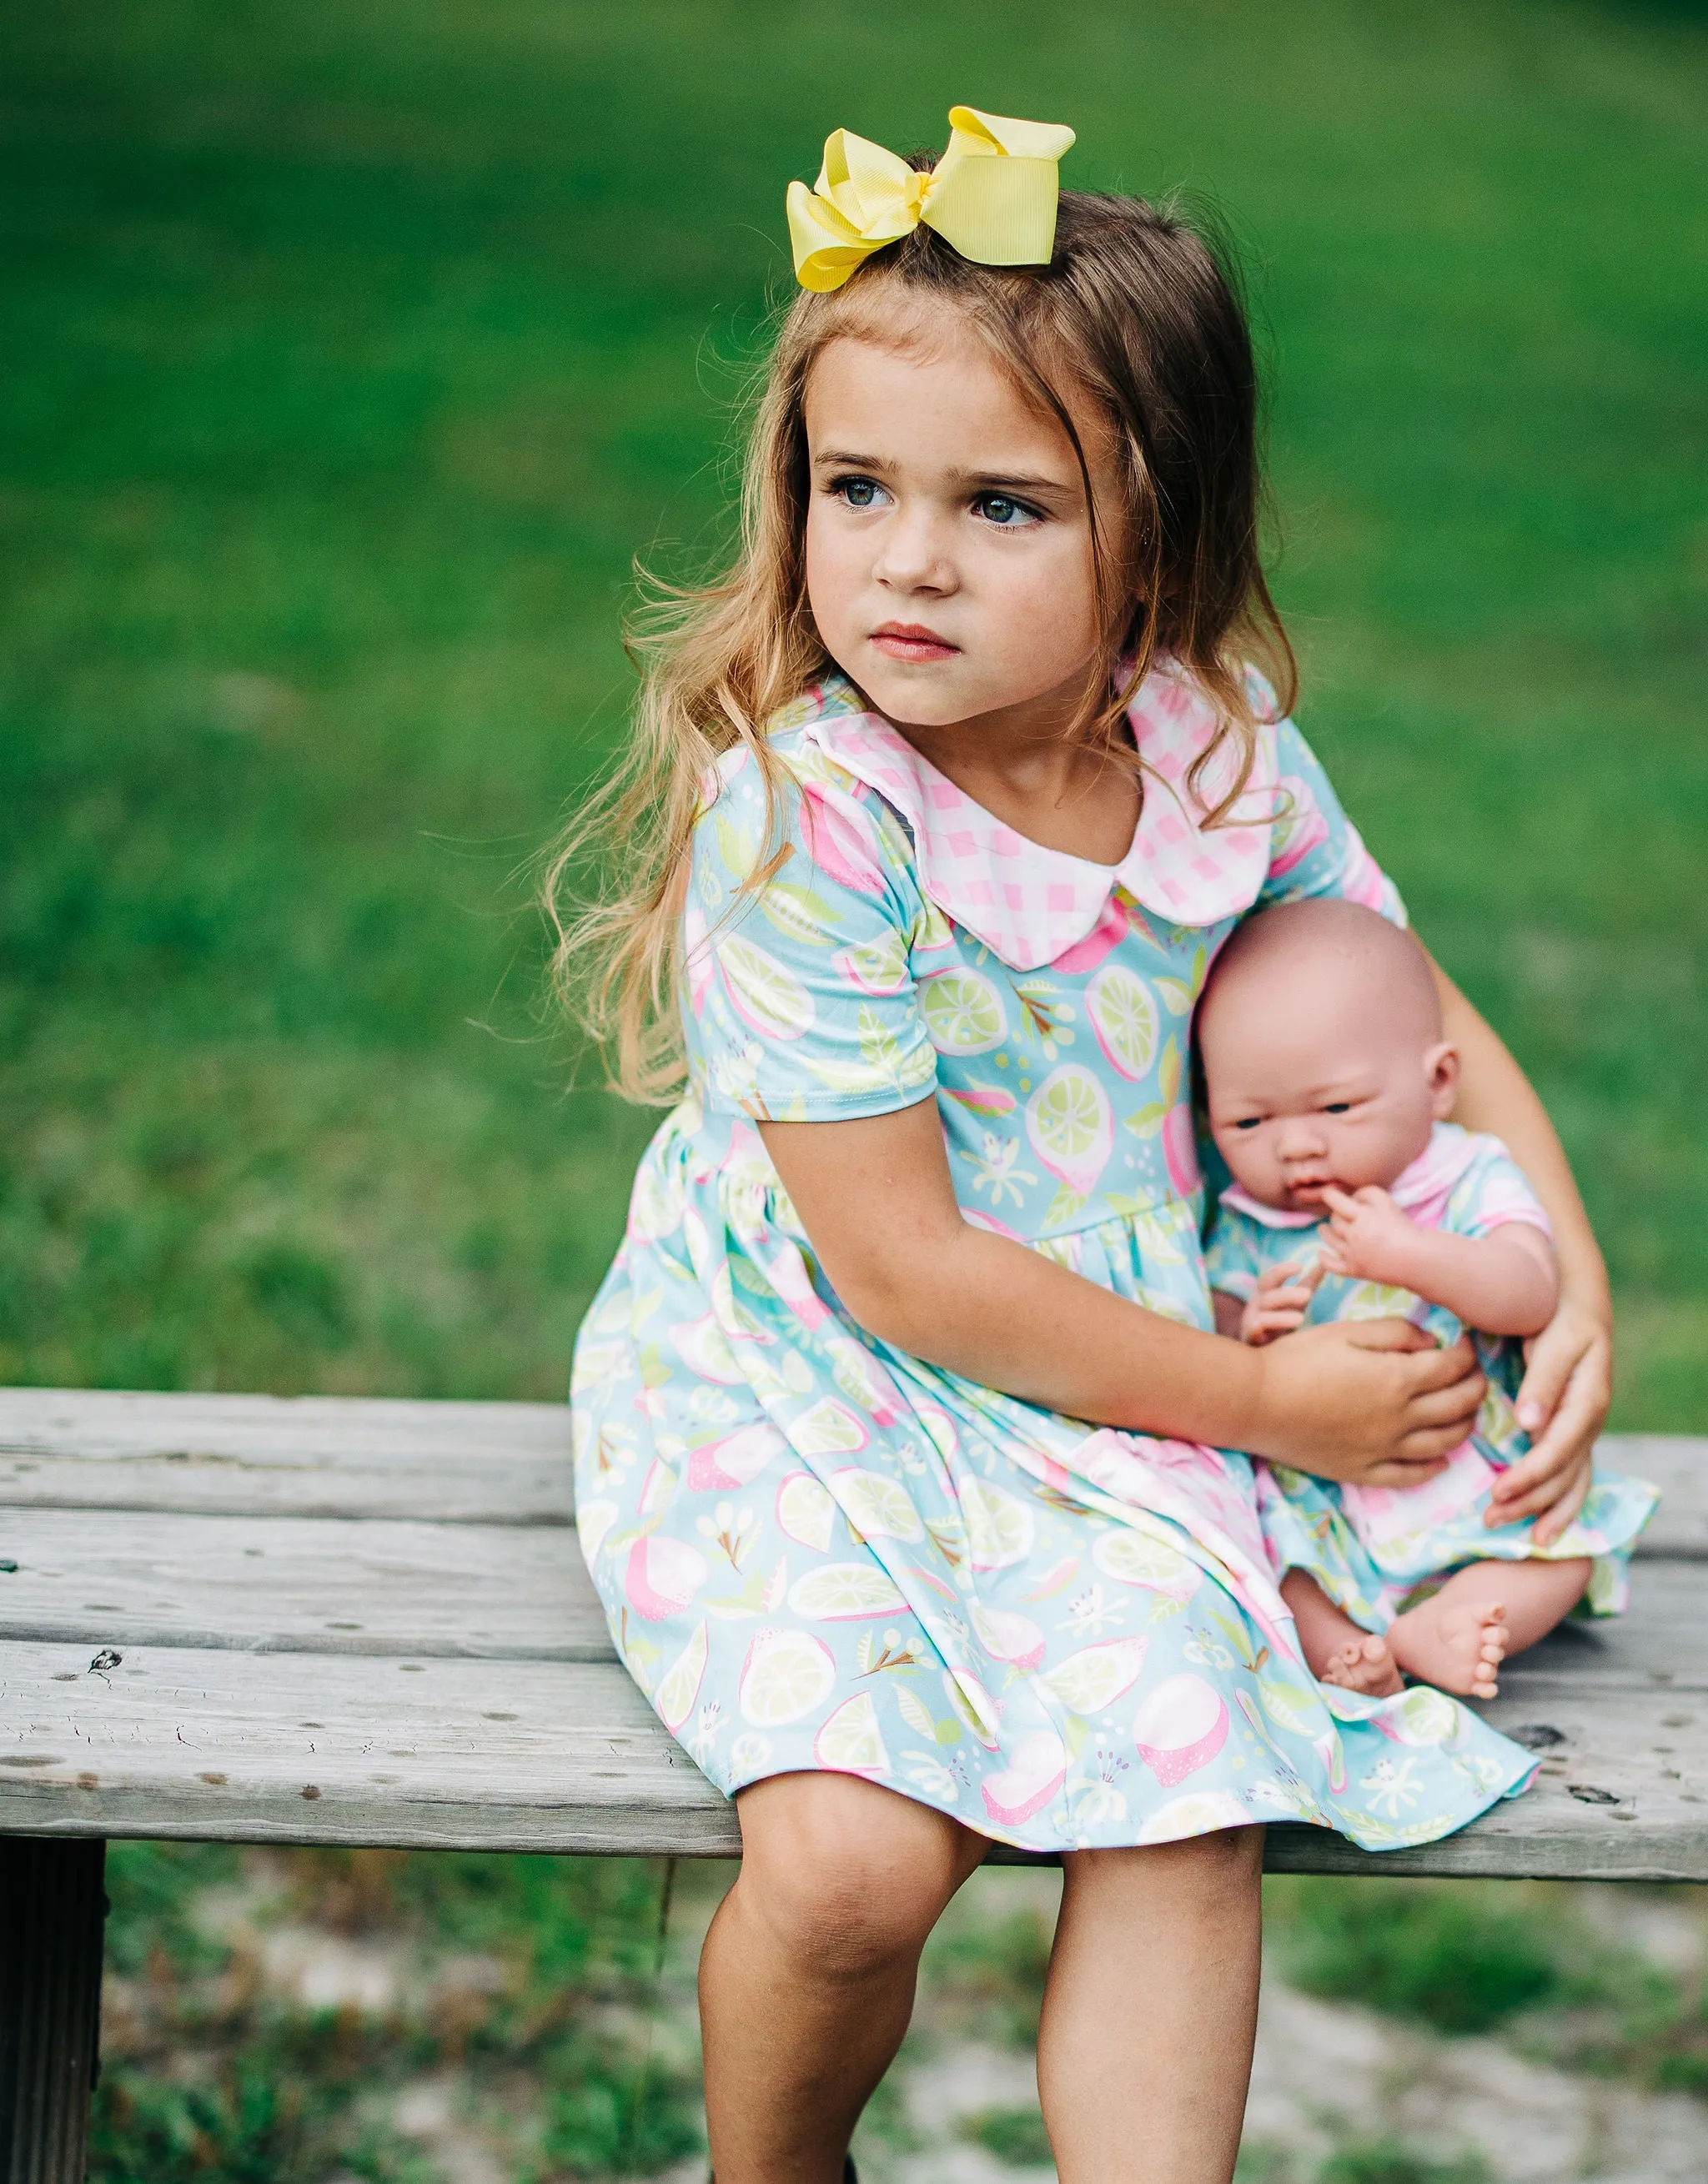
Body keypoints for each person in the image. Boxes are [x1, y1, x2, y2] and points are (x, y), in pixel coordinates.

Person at [551, 107, 1613, 2184]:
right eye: (852, 487)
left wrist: (1566, 1277)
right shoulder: (812, 820)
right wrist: (1271, 1411)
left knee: (1182, 1785)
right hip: (825, 1377)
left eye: (1001, 505)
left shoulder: (1203, 738)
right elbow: (904, 1272)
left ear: (1160, 530)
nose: (906, 558)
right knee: (852, 1864)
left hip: (1120, 1378)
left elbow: (1416, 1001)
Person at [1199, 899, 1654, 1703]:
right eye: (1248, 1119)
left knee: (1560, 1553)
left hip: (1476, 1486)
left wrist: (1410, 1253)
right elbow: (1219, 1323)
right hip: (1328, 1506)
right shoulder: (1253, 1219)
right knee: (1273, 1560)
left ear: (1438, 1082)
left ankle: (1447, 1625)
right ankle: (1348, 1651)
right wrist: (1248, 1328)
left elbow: (1529, 1291)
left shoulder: (1466, 1176)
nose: (1296, 1144)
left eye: (1336, 1108)